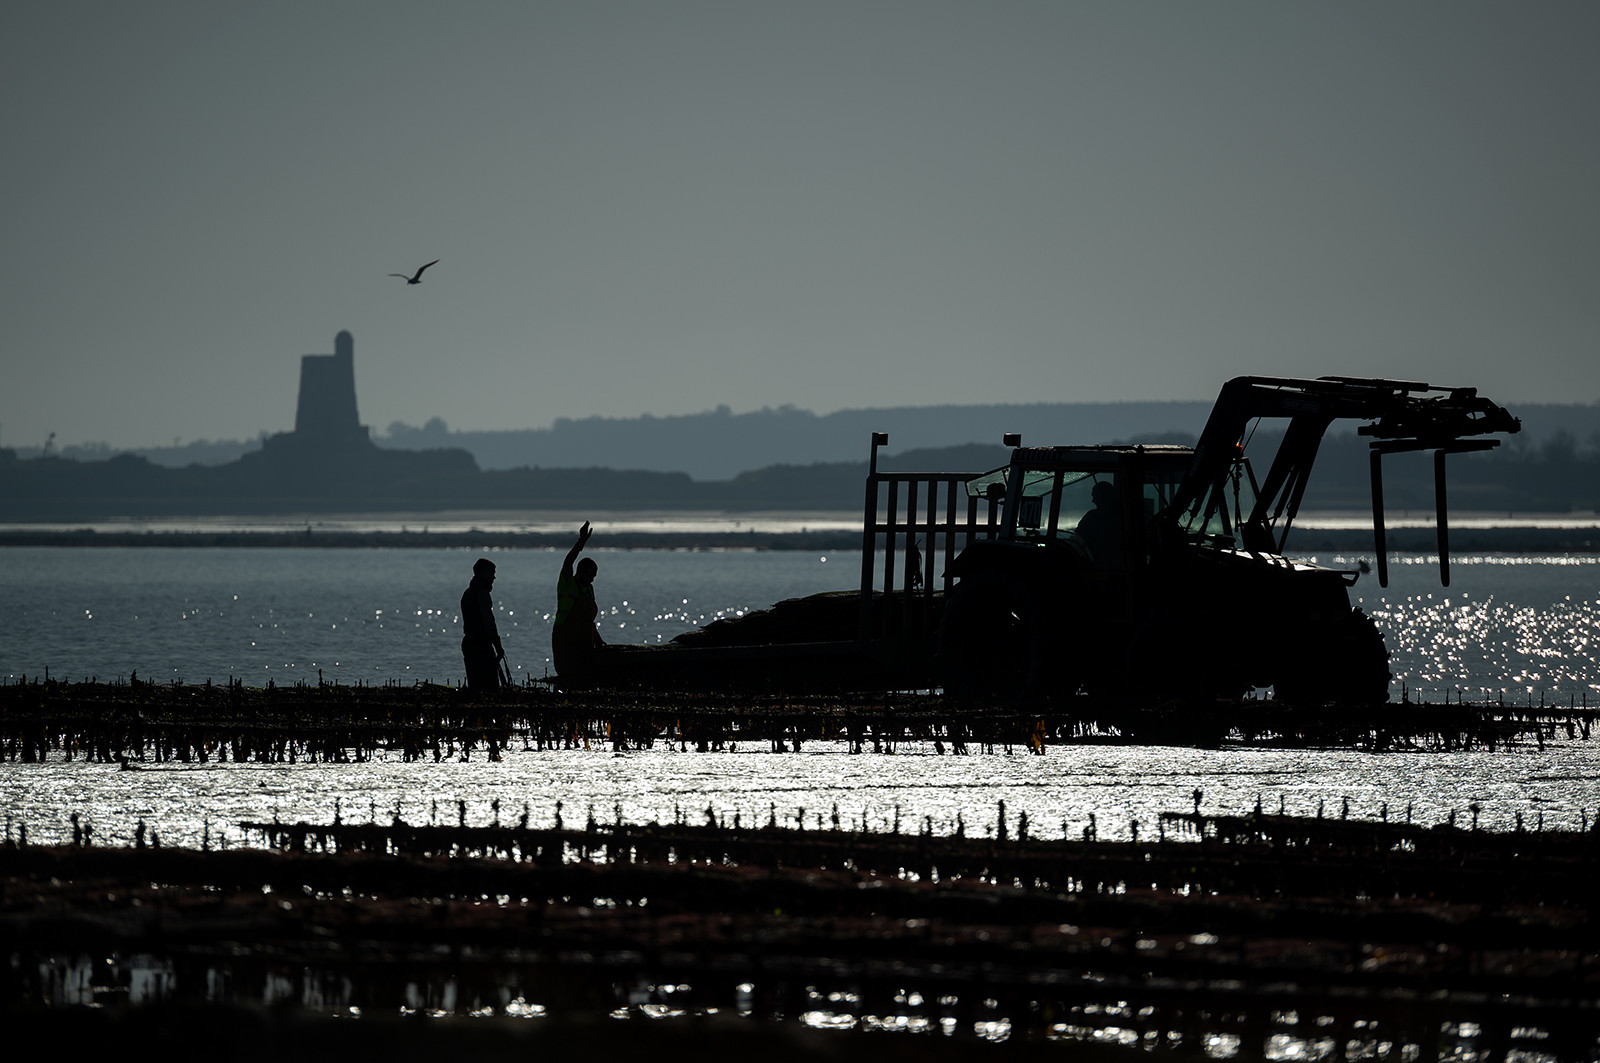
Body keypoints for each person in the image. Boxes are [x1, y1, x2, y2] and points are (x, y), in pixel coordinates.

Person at [552, 521, 604, 684]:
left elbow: (589, 621)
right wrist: (581, 541)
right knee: (568, 677)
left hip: (584, 639)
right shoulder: (568, 584)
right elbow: (568, 562)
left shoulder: (589, 589)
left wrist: (598, 640)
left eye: (594, 577)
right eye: (589, 576)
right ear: (580, 571)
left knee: (585, 677)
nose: (591, 580)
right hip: (565, 637)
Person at [460, 557, 505, 692]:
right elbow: (489, 622)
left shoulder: (467, 593)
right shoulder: (482, 593)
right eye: (492, 573)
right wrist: (498, 646)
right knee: (489, 688)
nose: (494, 577)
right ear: (484, 573)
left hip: (469, 643)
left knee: (476, 687)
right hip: (480, 645)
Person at [1074, 480, 1124, 569]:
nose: (1093, 501)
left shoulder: (1092, 517)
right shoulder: (1123, 518)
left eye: (1095, 496)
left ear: (1105, 497)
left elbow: (1077, 539)